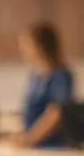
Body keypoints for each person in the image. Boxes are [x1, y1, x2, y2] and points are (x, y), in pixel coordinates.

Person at [16, 21, 74, 149]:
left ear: (40, 47)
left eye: (27, 45)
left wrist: (28, 139)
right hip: (35, 145)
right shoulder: (35, 76)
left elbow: (55, 115)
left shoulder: (60, 76)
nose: (22, 49)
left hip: (53, 147)